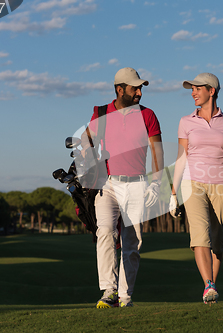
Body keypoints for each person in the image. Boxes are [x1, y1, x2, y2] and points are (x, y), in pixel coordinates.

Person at [81, 67, 164, 308]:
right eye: (134, 88)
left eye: (140, 88)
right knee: (105, 231)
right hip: (107, 184)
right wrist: (87, 158)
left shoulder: (148, 115)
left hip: (137, 184)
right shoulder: (102, 113)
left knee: (132, 244)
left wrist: (156, 182)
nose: (139, 92)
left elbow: (157, 150)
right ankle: (108, 291)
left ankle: (125, 297)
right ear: (120, 89)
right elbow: (87, 139)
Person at [169, 72, 223, 304]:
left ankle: (212, 287)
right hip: (192, 182)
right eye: (191, 89)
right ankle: (208, 285)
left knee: (217, 242)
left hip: (221, 184)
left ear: (211, 91)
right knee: (200, 235)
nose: (193, 93)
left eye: (197, 88)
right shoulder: (186, 121)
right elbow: (181, 157)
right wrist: (174, 192)